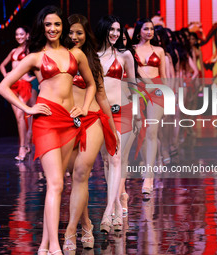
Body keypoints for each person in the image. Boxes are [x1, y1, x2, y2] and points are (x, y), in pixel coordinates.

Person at [0, 6, 96, 255]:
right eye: (48, 25)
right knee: (56, 184)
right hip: (47, 120)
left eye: (57, 25)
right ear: (42, 27)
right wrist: (27, 109)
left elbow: (92, 84)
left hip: (69, 122)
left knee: (59, 184)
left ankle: (43, 245)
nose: (52, 29)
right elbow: (3, 86)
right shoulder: (35, 57)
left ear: (63, 27)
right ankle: (54, 247)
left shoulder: (76, 55)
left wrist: (83, 108)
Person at [59, 14, 118, 252]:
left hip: (92, 117)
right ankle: (85, 223)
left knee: (82, 171)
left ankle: (70, 231)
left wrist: (112, 129)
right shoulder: (60, 58)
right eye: (70, 32)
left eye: (79, 32)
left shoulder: (91, 60)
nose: (74, 37)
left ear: (86, 34)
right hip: (66, 120)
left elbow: (101, 95)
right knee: (75, 176)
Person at [95, 15, 136, 233]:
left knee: (116, 157)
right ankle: (118, 204)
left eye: (118, 30)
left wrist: (136, 113)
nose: (115, 34)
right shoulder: (92, 56)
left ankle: (108, 210)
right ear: (103, 30)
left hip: (121, 111)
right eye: (111, 29)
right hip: (99, 114)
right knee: (106, 160)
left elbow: (133, 84)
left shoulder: (125, 55)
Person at [131, 18, 166, 195]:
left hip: (157, 90)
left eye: (152, 29)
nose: (149, 32)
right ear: (139, 31)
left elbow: (165, 76)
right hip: (138, 90)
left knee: (152, 131)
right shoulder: (132, 50)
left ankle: (149, 177)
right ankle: (147, 166)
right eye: (146, 29)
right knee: (141, 132)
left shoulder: (159, 50)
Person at [0, 26, 33, 161]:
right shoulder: (14, 50)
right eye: (17, 34)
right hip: (12, 85)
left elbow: (36, 66)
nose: (19, 36)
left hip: (24, 85)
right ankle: (25, 145)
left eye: (21, 34)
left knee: (21, 115)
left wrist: (30, 77)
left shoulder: (29, 50)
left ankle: (22, 147)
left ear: (27, 35)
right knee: (18, 117)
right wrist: (6, 75)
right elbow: (2, 65)